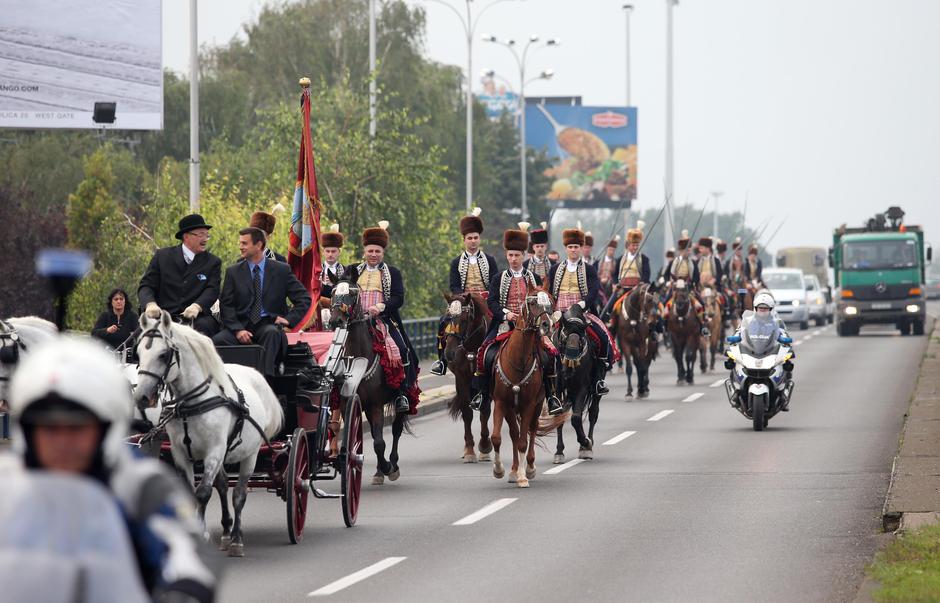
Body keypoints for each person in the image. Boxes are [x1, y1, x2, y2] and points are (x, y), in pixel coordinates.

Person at [5, 337, 217, 602]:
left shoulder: (139, 482)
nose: (62, 442)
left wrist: (183, 589)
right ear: (26, 431)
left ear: (105, 427)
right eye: (48, 429)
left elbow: (187, 549)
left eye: (76, 428)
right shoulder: (8, 484)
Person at [470, 223, 562, 415]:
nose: (513, 259)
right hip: (504, 325)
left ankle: (552, 396)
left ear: (523, 256)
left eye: (517, 255)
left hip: (532, 328)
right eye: (510, 255)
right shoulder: (498, 278)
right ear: (507, 255)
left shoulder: (535, 278)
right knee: (483, 353)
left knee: (551, 356)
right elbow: (492, 302)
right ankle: (482, 395)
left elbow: (544, 301)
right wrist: (506, 314)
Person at [213, 227, 311, 376]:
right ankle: (226, 383)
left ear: (258, 245)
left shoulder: (281, 270)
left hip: (268, 324)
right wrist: (238, 330)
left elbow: (304, 298)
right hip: (240, 326)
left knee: (271, 334)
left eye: (245, 243)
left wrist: (288, 319)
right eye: (240, 243)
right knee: (217, 341)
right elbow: (226, 306)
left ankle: (264, 381)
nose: (240, 247)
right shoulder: (233, 272)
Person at [352, 221, 419, 414]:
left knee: (402, 349)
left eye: (377, 251)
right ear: (364, 251)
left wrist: (380, 306)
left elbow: (398, 298)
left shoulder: (392, 272)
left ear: (383, 253)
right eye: (370, 251)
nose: (373, 254)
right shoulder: (353, 270)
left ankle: (401, 393)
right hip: (355, 321)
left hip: (382, 320)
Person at [547, 226, 617, 396]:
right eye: (570, 247)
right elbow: (550, 291)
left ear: (580, 248)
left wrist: (581, 304)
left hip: (581, 313)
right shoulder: (555, 269)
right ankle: (545, 383)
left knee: (602, 338)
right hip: (559, 313)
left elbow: (593, 291)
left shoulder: (589, 269)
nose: (573, 250)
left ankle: (599, 379)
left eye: (576, 247)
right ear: (566, 248)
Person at [430, 208, 498, 376]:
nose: (473, 241)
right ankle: (442, 361)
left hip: (485, 300)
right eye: (469, 238)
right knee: (443, 321)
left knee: (500, 321)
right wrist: (462, 297)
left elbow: (494, 282)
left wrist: (486, 295)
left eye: (475, 238)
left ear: (479, 239)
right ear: (464, 240)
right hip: (463, 302)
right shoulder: (456, 262)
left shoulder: (489, 260)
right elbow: (454, 285)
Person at [138, 213, 222, 337]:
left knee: (206, 329)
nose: (205, 239)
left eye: (207, 235)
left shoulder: (213, 262)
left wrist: (197, 306)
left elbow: (212, 289)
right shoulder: (162, 256)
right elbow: (146, 286)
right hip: (163, 317)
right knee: (144, 340)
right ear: (186, 236)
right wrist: (150, 304)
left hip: (196, 319)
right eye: (201, 235)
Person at [663, 230, 709, 336]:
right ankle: (664, 327)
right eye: (687, 250)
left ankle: (703, 326)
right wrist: (668, 282)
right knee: (665, 303)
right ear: (681, 250)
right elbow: (666, 275)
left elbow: (696, 277)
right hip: (675, 290)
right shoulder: (673, 262)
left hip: (688, 290)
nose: (689, 252)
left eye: (689, 250)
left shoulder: (693, 263)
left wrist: (693, 284)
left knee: (701, 304)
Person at [319, 223, 346, 298]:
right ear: (323, 252)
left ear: (339, 252)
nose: (330, 254)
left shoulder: (346, 271)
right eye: (327, 251)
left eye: (333, 251)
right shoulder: (316, 270)